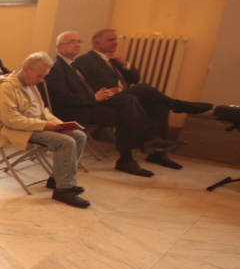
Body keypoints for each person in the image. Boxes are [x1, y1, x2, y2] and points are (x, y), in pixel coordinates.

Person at [72, 28, 211, 170]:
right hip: (105, 101)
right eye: (111, 40)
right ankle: (175, 106)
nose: (115, 43)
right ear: (97, 43)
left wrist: (125, 65)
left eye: (116, 39)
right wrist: (105, 92)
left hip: (124, 98)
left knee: (159, 105)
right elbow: (82, 85)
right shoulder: (85, 60)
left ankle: (157, 154)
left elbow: (135, 79)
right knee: (140, 91)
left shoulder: (114, 60)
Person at [48, 31, 160, 177]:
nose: (77, 45)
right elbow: (63, 98)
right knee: (128, 106)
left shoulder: (71, 65)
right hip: (75, 113)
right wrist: (94, 98)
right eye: (71, 42)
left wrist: (101, 94)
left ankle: (132, 154)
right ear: (58, 47)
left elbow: (83, 90)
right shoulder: (56, 67)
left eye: (79, 41)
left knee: (128, 103)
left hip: (88, 106)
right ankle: (140, 146)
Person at [0, 53, 90, 208]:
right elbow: (11, 120)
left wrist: (60, 125)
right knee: (65, 142)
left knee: (79, 136)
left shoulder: (31, 84)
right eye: (40, 76)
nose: (42, 80)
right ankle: (63, 190)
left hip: (35, 125)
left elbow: (43, 111)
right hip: (15, 130)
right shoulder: (6, 88)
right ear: (27, 69)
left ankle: (58, 178)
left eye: (44, 76)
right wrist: (44, 125)